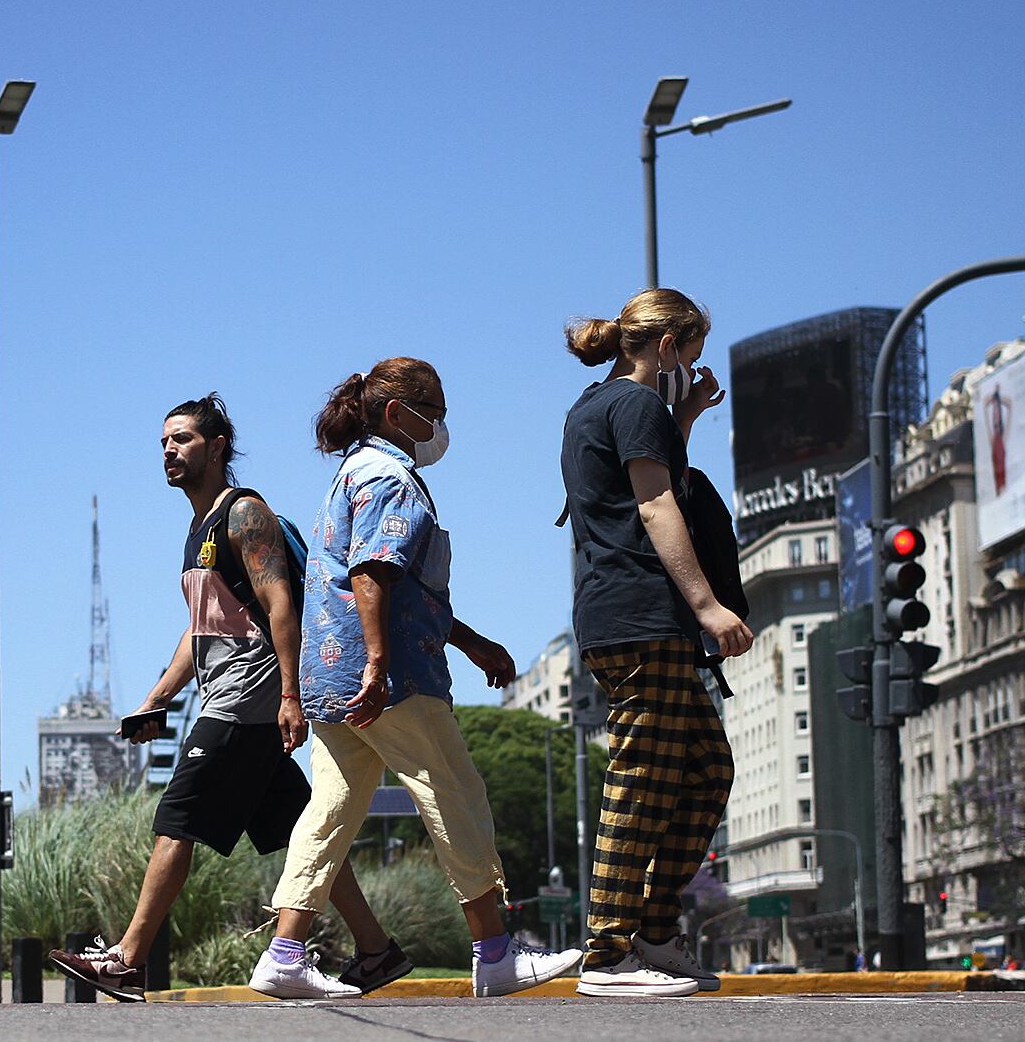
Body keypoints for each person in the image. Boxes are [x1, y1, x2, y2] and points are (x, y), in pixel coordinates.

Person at [49, 394, 403, 1002]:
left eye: (182, 439)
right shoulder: (197, 533)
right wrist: (157, 698)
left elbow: (280, 606)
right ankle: (376, 949)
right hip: (233, 693)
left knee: (176, 819)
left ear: (216, 449)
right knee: (301, 830)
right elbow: (201, 628)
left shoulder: (244, 515)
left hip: (248, 693)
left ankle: (128, 958)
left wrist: (291, 694)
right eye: (164, 441)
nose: (169, 451)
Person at [256, 359, 584, 999]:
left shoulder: (349, 474)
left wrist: (472, 642)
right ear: (394, 413)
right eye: (432, 409)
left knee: (332, 806)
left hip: (332, 675)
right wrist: (379, 664)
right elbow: (373, 574)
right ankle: (494, 953)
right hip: (392, 678)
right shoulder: (390, 478)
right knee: (454, 794)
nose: (439, 424)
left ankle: (286, 953)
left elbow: (407, 591)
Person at [560, 289, 750, 998]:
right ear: (668, 347)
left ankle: (656, 932)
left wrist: (685, 417)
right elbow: (654, 502)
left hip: (626, 619)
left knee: (706, 771)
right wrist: (707, 605)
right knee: (639, 780)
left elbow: (640, 476)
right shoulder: (635, 405)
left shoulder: (598, 404)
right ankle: (607, 953)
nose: (688, 369)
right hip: (643, 619)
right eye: (689, 356)